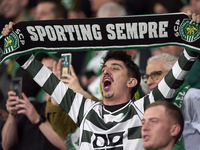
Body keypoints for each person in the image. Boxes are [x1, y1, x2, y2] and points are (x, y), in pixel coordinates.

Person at [2, 10, 200, 150]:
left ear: (132, 82)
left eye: (115, 68)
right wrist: (16, 47)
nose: (106, 72)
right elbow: (46, 79)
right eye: (104, 68)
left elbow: (177, 74)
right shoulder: (85, 110)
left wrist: (192, 37)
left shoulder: (144, 108)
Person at [1, 67, 66, 150]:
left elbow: (68, 146)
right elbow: (6, 146)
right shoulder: (22, 113)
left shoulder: (55, 109)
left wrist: (37, 119)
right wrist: (12, 115)